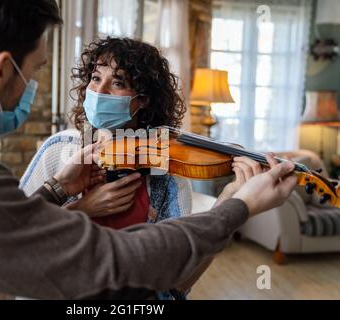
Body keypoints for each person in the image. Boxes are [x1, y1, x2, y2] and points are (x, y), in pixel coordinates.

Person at [0, 0, 297, 300]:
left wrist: (54, 191)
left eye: (117, 82)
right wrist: (236, 205)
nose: (30, 88)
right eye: (34, 72)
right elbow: (117, 260)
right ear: (0, 73)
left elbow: (2, 237)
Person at [19, 37, 270, 299]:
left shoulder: (168, 178)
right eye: (95, 78)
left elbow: (176, 284)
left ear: (143, 100)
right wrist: (83, 209)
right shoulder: (59, 150)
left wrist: (231, 197)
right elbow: (14, 243)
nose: (99, 91)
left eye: (117, 82)